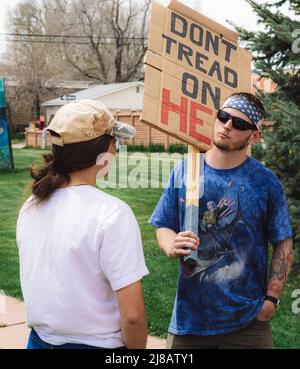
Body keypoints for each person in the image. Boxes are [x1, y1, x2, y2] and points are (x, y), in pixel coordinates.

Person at [149, 92, 293, 349]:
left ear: (255, 136)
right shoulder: (186, 169)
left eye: (239, 124)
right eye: (223, 117)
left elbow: (283, 242)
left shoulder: (265, 181)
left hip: (248, 321)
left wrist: (271, 300)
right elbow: (164, 225)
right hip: (189, 319)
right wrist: (171, 244)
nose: (227, 126)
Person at [17, 99, 149, 349]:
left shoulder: (31, 205)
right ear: (105, 149)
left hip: (39, 342)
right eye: (115, 143)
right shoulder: (112, 214)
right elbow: (132, 317)